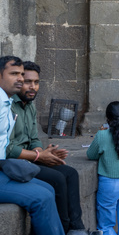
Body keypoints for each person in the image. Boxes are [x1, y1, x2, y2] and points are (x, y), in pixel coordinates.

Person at [7, 60, 89, 234]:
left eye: (36, 83)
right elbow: (8, 148)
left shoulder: (30, 106)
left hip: (30, 158)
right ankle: (64, 228)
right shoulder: (8, 106)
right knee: (57, 179)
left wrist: (44, 152)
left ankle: (77, 228)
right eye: (28, 82)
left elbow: (35, 138)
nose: (33, 87)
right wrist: (38, 156)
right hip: (14, 163)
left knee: (70, 173)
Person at [0, 55, 64, 235]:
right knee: (41, 197)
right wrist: (37, 156)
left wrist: (40, 152)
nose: (20, 79)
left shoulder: (7, 102)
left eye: (21, 74)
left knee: (48, 189)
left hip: (4, 166)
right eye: (14, 74)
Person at [87, 101, 119, 235]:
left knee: (105, 226)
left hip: (109, 184)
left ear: (107, 118)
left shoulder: (102, 135)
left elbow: (91, 154)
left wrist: (101, 134)